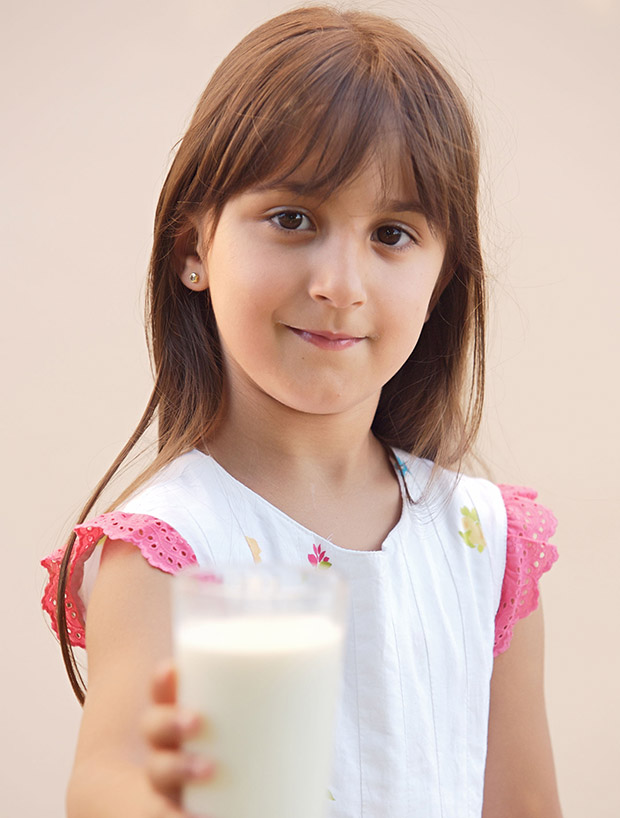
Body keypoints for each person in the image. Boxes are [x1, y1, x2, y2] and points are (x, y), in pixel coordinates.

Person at [41, 5, 563, 817]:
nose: (339, 284)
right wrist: (167, 793)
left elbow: (525, 803)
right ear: (192, 251)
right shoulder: (171, 550)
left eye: (392, 233)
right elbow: (111, 785)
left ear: (442, 280)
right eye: (293, 220)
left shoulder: (485, 544)